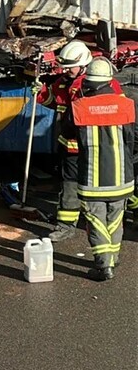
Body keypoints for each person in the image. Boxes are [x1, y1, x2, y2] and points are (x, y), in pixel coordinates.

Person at [35, 41, 120, 241]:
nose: (65, 70)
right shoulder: (63, 82)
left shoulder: (102, 84)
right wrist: (42, 92)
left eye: (70, 67)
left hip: (95, 147)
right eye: (64, 66)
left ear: (84, 65)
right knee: (69, 187)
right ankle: (65, 226)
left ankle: (116, 216)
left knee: (106, 187)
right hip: (70, 147)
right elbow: (55, 104)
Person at [71, 58, 135, 281]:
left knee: (95, 219)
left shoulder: (79, 107)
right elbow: (130, 140)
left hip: (92, 177)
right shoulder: (126, 105)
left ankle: (103, 265)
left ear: (89, 82)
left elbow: (71, 136)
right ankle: (113, 257)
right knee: (116, 218)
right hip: (121, 176)